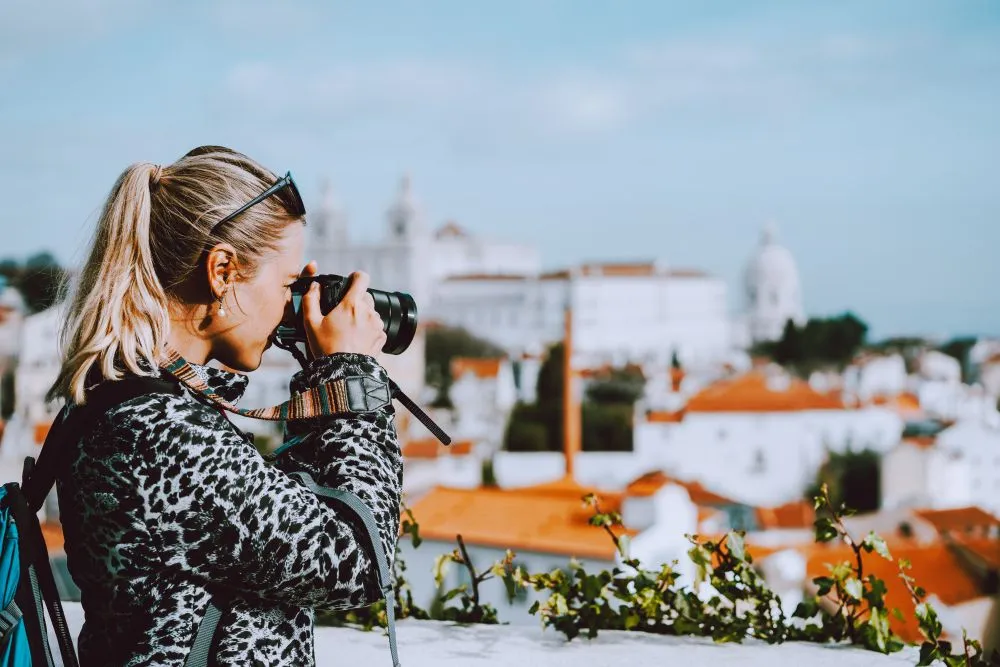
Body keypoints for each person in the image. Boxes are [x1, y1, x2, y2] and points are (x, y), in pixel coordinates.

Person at [46, 145, 402, 665]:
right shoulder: (157, 428)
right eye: (286, 285)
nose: (292, 304)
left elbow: (286, 513)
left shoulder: (135, 401)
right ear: (222, 272)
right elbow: (358, 562)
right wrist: (352, 374)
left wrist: (322, 381)